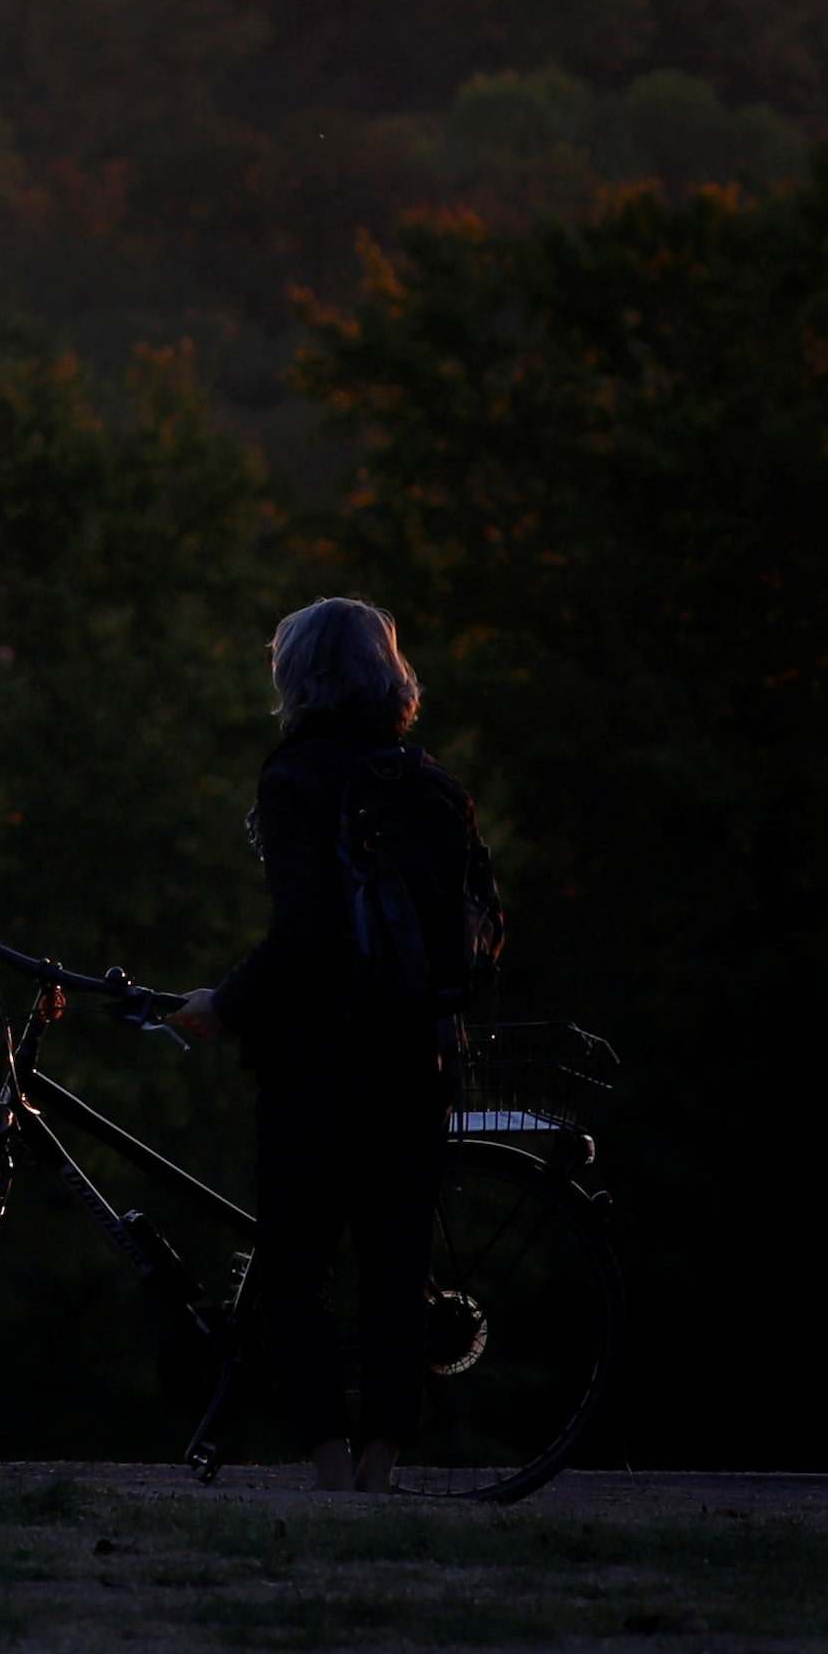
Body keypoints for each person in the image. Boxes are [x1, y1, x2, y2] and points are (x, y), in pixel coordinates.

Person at [169, 597, 470, 1493]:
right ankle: (381, 1467)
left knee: (295, 1270)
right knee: (396, 1269)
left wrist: (225, 1003)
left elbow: (306, 933)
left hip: (319, 1060)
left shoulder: (297, 777)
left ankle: (330, 1467)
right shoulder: (431, 782)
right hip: (415, 1057)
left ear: (296, 678)